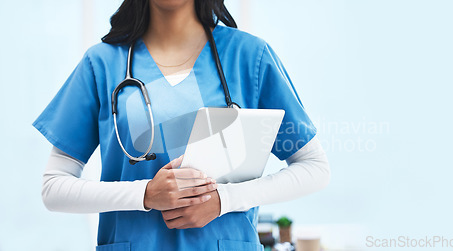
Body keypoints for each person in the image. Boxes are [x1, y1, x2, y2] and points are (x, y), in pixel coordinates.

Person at [34, 0, 330, 250]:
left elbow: (314, 168)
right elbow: (54, 187)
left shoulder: (249, 57)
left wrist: (224, 200)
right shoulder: (101, 63)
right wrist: (146, 194)